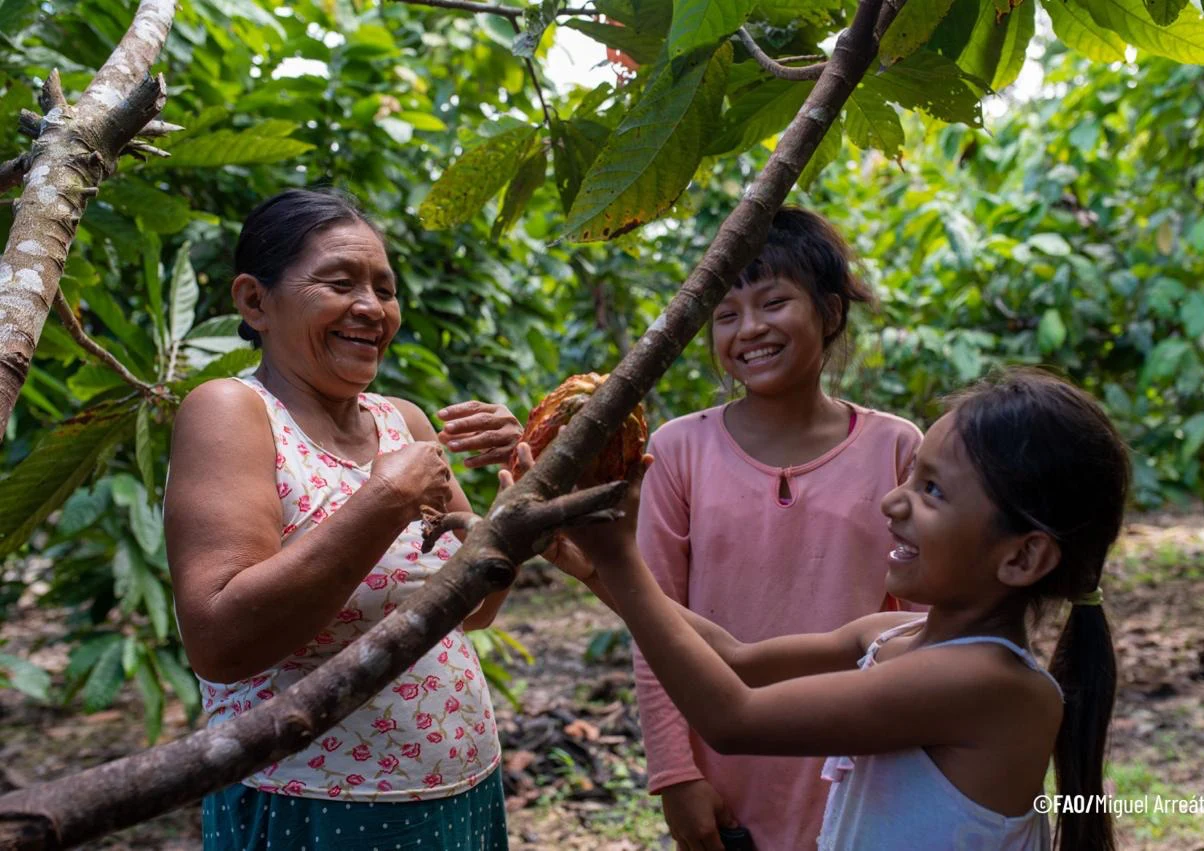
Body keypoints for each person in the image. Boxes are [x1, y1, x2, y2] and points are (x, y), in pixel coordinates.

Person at [559, 368, 1126, 851]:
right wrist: (594, 569)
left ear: (1023, 557)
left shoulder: (989, 684)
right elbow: (735, 657)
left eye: (933, 490)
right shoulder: (894, 634)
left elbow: (734, 718)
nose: (893, 500)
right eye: (912, 476)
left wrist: (621, 559)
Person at [165, 189, 523, 850]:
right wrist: (383, 501)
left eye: (385, 290)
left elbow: (473, 610)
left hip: (461, 781)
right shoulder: (231, 412)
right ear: (254, 301)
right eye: (339, 283)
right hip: (313, 802)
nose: (371, 307)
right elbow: (219, 641)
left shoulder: (402, 420)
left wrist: (516, 505)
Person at [632, 208, 922, 850]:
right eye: (726, 313)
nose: (749, 329)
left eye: (773, 302)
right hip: (727, 769)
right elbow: (655, 623)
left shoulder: (897, 447)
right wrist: (675, 774)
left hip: (863, 764)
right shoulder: (678, 451)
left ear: (829, 311)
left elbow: (928, 623)